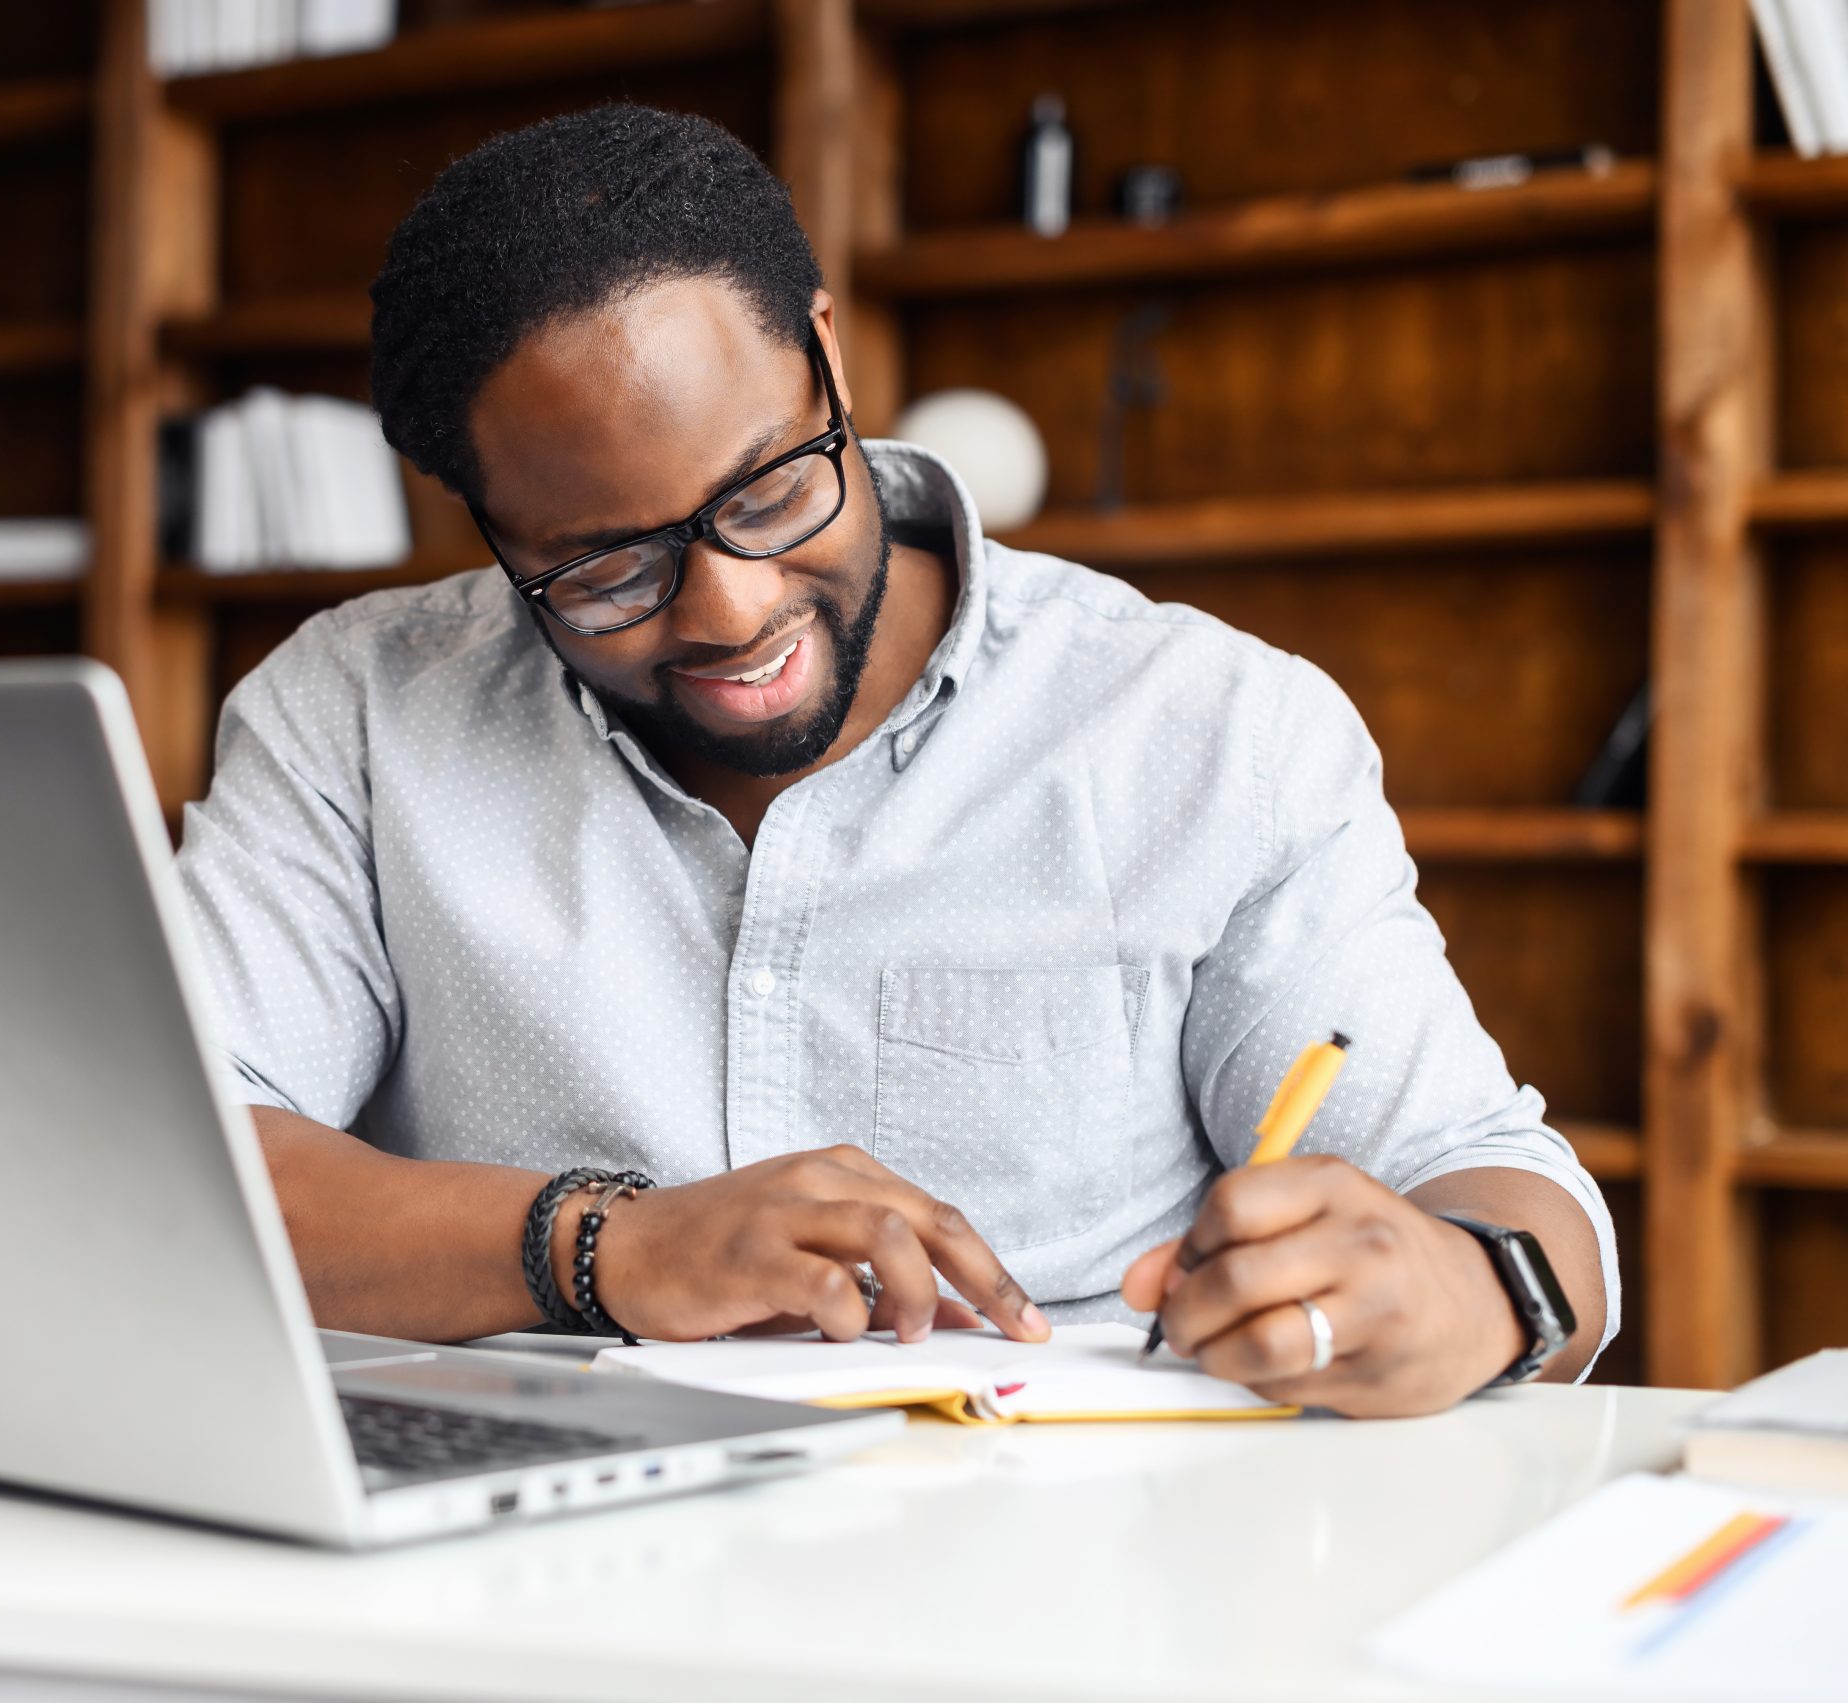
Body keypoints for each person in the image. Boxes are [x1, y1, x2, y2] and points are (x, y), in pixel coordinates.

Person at [176, 104, 1617, 1417]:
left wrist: (1479, 1288)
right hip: (526, 1574)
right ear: (486, 527)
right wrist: (603, 1244)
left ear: (828, 354)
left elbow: (1501, 1188)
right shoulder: (356, 715)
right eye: (606, 570)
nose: (731, 613)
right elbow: (170, 1159)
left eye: (770, 487)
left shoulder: (1204, 729)